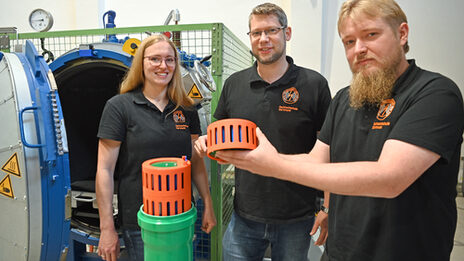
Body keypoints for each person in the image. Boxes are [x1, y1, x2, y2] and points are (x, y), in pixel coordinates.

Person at [215, 0, 464, 260]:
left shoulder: (434, 93)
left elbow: (389, 178)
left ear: (402, 34)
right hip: (339, 251)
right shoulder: (346, 99)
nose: (359, 49)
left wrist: (270, 163)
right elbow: (316, 162)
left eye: (371, 35)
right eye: (348, 41)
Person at [194, 3, 332, 260]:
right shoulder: (235, 84)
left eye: (271, 30)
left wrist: (327, 205)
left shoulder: (314, 85)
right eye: (256, 33)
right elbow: (220, 134)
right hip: (244, 215)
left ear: (287, 33)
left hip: (296, 217)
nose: (263, 39)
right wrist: (206, 140)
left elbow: (328, 149)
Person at [95, 34, 216, 261]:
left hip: (181, 215)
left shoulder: (186, 108)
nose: (163, 66)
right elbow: (105, 170)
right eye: (155, 59)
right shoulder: (119, 107)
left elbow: (196, 160)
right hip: (141, 220)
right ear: (142, 63)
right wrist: (106, 228)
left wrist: (207, 203)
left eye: (170, 60)